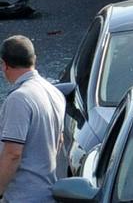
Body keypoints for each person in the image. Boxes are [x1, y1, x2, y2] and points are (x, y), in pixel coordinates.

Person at [0, 36, 65, 203]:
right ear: (34, 60)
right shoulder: (55, 92)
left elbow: (13, 153)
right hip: (48, 192)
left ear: (4, 65)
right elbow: (59, 142)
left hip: (23, 196)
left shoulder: (19, 99)